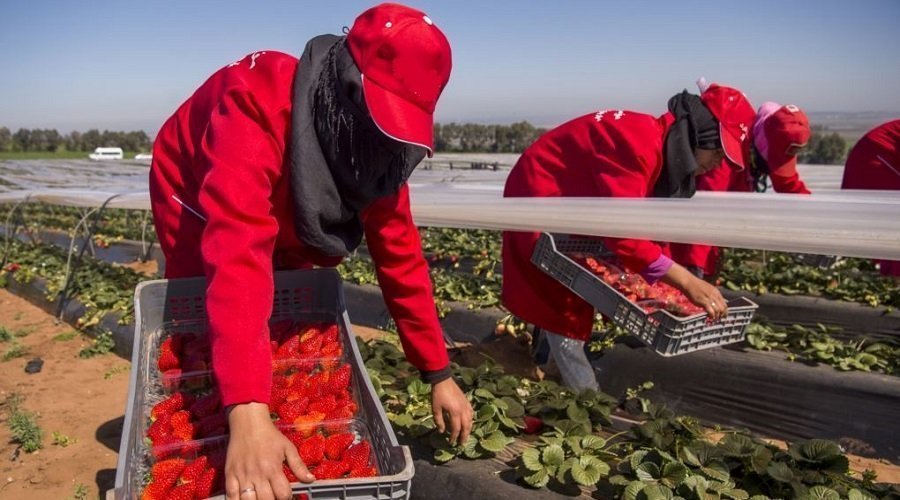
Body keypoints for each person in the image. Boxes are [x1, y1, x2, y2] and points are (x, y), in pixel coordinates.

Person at [148, 4, 473, 500]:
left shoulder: (374, 150)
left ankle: (257, 420)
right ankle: (231, 437)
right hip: (196, 193)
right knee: (209, 320)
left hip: (285, 205)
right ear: (346, 86)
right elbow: (236, 252)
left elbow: (401, 256)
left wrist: (438, 372)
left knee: (282, 319)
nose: (384, 142)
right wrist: (248, 411)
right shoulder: (253, 99)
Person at [502, 84, 755, 391]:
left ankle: (556, 376)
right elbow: (625, 235)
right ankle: (585, 397)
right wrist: (687, 282)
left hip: (575, 207)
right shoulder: (636, 143)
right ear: (701, 135)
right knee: (563, 299)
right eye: (717, 151)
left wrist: (667, 275)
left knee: (582, 288)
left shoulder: (656, 145)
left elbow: (637, 226)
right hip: (540, 199)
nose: (718, 163)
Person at [671, 83, 813, 279]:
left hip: (708, 244)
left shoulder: (765, 141)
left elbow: (787, 182)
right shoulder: (724, 159)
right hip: (684, 248)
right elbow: (706, 211)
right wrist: (694, 270)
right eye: (773, 159)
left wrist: (815, 216)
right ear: (763, 145)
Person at [841, 119, 900, 277]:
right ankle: (892, 277)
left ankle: (889, 274)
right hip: (874, 158)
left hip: (877, 156)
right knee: (893, 223)